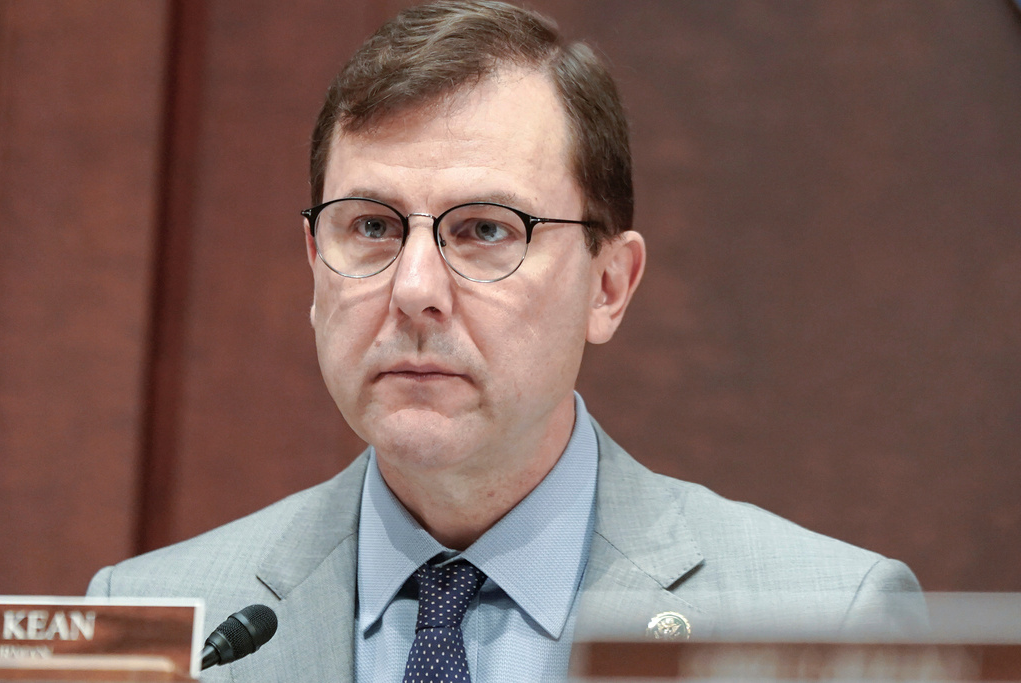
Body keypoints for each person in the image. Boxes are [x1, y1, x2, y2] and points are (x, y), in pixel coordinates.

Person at [88, 2, 925, 681]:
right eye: (372, 226)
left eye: (487, 229)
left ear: (609, 286)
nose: (413, 289)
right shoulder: (155, 618)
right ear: (316, 265)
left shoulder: (827, 625)